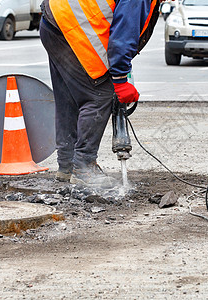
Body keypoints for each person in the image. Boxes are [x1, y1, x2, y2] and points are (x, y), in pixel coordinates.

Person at [39, 0, 159, 188]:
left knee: (68, 97)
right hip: (74, 26)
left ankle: (67, 166)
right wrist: (119, 79)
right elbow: (122, 36)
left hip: (54, 21)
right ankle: (83, 167)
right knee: (98, 96)